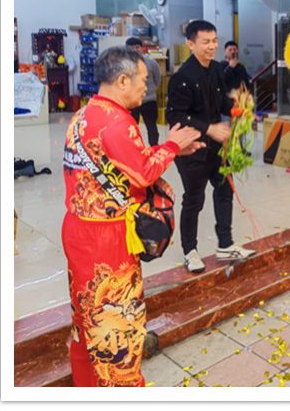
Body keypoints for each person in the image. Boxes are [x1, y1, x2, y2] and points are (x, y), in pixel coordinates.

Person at [62, 46, 202, 385]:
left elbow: (120, 161)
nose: (146, 87)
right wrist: (171, 145)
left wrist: (166, 151)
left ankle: (87, 385)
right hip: (107, 239)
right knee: (117, 325)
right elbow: (142, 174)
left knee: (86, 318)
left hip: (78, 230)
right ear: (122, 80)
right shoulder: (117, 121)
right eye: (142, 79)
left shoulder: (84, 114)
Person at [165, 20, 256, 272]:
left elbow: (220, 103)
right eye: (205, 42)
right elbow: (175, 116)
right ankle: (190, 251)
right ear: (190, 44)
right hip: (191, 150)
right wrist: (209, 128)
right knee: (194, 199)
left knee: (225, 190)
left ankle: (225, 244)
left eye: (214, 41)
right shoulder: (182, 78)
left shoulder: (217, 69)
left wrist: (237, 107)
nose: (212, 46)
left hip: (217, 148)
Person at [125, 37, 162, 147]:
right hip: (132, 101)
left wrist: (150, 91)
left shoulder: (151, 63)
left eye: (137, 47)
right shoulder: (123, 65)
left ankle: (154, 147)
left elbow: (157, 79)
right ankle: (134, 148)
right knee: (132, 127)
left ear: (142, 48)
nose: (134, 50)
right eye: (131, 48)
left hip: (149, 100)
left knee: (152, 127)